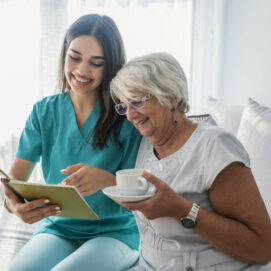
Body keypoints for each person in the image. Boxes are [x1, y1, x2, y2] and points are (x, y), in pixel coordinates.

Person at [2, 14, 141, 271]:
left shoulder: (127, 116)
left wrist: (105, 180)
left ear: (110, 66)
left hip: (114, 232)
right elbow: (14, 181)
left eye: (96, 63)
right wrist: (14, 205)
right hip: (58, 227)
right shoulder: (44, 112)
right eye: (74, 57)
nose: (81, 71)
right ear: (64, 54)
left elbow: (143, 191)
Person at [110, 52, 271, 270]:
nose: (130, 115)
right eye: (124, 106)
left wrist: (181, 209)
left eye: (137, 102)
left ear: (170, 97)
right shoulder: (144, 144)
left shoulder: (215, 146)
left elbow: (263, 249)